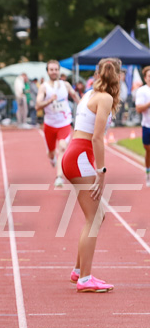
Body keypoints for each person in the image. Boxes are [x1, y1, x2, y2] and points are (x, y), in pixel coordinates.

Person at [61, 58, 121, 293]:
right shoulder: (105, 98)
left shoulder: (89, 93)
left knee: (98, 215)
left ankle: (78, 270)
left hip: (75, 153)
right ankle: (85, 279)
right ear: (117, 76)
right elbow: (97, 138)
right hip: (80, 156)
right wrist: (101, 172)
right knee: (93, 218)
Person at [35, 60, 81, 187]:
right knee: (51, 152)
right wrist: (49, 100)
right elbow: (37, 106)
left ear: (59, 71)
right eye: (51, 70)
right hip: (49, 125)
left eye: (56, 69)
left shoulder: (65, 85)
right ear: (48, 71)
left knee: (62, 147)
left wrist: (84, 107)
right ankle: (52, 158)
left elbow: (76, 97)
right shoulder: (44, 87)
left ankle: (59, 177)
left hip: (64, 123)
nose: (54, 72)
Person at [135, 66, 150, 187]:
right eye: (149, 76)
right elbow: (138, 109)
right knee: (148, 150)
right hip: (147, 125)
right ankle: (148, 172)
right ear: (145, 78)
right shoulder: (142, 91)